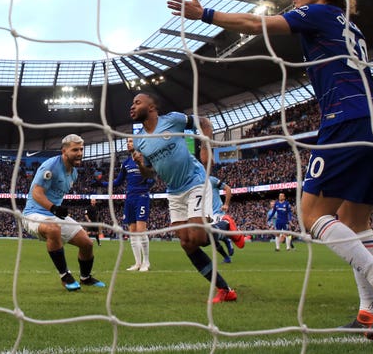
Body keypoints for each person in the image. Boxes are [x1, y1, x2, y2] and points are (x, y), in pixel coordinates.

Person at [168, 0, 373, 333]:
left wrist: (204, 13)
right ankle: (370, 312)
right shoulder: (351, 25)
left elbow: (256, 25)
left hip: (345, 120)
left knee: (311, 214)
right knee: (355, 222)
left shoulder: (317, 12)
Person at [130, 92, 244, 303]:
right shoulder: (140, 143)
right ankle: (225, 290)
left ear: (152, 107)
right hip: (174, 192)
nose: (132, 106)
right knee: (186, 243)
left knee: (199, 238)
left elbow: (204, 122)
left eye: (137, 102)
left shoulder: (172, 120)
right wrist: (139, 164)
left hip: (195, 182)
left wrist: (205, 149)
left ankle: (226, 226)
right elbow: (150, 174)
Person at [22, 134, 105, 291]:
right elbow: (37, 193)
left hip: (54, 215)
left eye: (81, 149)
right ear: (64, 151)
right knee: (53, 229)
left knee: (87, 244)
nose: (80, 153)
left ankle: (85, 278)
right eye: (75, 149)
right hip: (33, 214)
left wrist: (57, 211)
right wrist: (54, 208)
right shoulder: (51, 166)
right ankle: (65, 276)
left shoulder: (73, 172)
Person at [101, 137, 155, 271]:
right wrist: (101, 184)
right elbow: (118, 182)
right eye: (127, 141)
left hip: (142, 196)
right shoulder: (126, 163)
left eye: (131, 141)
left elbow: (153, 178)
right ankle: (137, 263)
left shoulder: (146, 159)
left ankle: (146, 262)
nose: (128, 143)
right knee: (132, 231)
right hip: (129, 198)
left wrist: (147, 184)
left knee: (141, 230)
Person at [209, 175, 235, 263]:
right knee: (210, 238)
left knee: (212, 235)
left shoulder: (211, 180)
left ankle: (226, 239)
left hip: (217, 212)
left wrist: (226, 204)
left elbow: (228, 188)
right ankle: (226, 255)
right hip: (207, 215)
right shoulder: (195, 183)